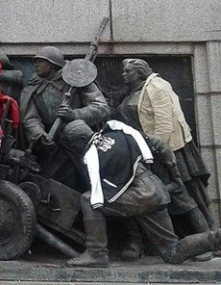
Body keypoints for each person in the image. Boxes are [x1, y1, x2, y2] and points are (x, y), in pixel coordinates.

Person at [62, 119, 221, 267]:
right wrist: (176, 177)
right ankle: (216, 238)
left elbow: (103, 194)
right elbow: (160, 144)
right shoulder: (120, 133)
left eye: (72, 144)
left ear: (80, 140)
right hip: (155, 191)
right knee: (172, 252)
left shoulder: (92, 156)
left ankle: (97, 253)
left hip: (140, 194)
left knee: (89, 199)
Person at [114, 58, 214, 261]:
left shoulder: (157, 87)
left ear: (140, 73)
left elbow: (163, 125)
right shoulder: (133, 91)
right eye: (123, 71)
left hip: (161, 152)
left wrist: (155, 154)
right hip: (142, 153)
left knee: (181, 197)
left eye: (128, 71)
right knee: (156, 199)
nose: (123, 74)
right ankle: (154, 243)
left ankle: (207, 243)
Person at [19, 46, 110, 190]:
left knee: (91, 182)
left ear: (53, 64)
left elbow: (102, 107)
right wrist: (39, 135)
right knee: (55, 185)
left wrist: (74, 114)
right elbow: (30, 118)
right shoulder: (33, 88)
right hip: (53, 145)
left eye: (41, 61)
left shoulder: (76, 79)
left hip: (80, 141)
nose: (36, 65)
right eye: (35, 61)